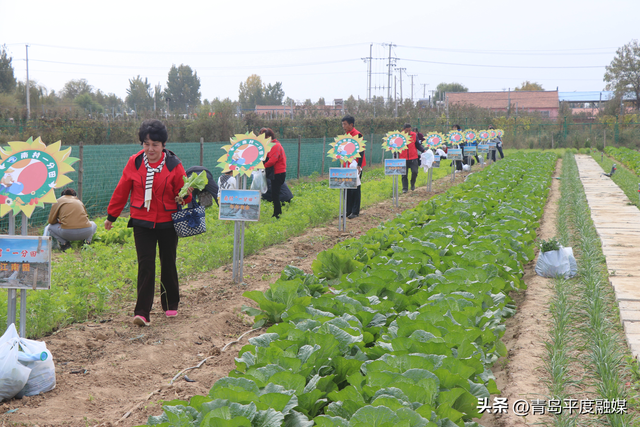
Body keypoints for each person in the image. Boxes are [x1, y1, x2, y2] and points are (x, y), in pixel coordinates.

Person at [104, 120, 192, 327]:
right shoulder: (134, 162)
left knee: (168, 263)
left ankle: (171, 303)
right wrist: (111, 216)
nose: (150, 149)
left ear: (163, 145)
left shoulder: (173, 164)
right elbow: (122, 189)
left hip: (168, 222)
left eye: (155, 144)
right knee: (146, 265)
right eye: (146, 144)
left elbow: (186, 191)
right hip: (142, 221)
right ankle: (142, 312)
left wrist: (183, 197)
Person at [341, 115, 365, 219]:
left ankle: (355, 211)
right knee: (347, 188)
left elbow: (361, 150)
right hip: (347, 165)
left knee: (355, 188)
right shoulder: (346, 135)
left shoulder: (357, 135)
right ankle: (348, 211)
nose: (343, 126)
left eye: (345, 124)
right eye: (342, 124)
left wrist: (359, 165)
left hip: (355, 166)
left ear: (351, 124)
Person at [259, 127, 287, 219]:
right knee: (275, 194)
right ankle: (277, 212)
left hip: (278, 173)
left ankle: (277, 214)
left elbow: (272, 160)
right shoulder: (273, 145)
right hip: (277, 173)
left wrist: (262, 166)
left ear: (269, 137)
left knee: (275, 194)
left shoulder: (275, 146)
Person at [399, 123, 425, 192]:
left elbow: (417, 145)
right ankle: (405, 188)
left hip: (413, 157)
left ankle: (412, 183)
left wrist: (423, 150)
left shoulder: (414, 135)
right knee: (404, 174)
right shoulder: (400, 136)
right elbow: (396, 147)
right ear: (404, 129)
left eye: (409, 130)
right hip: (403, 158)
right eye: (407, 130)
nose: (408, 132)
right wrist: (396, 155)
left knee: (415, 172)